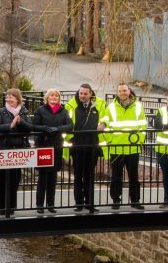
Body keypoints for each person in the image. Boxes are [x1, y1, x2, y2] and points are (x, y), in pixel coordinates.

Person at [98, 83, 148, 210]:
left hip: (133, 147)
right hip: (117, 147)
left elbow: (143, 126)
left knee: (134, 176)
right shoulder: (110, 107)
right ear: (117, 92)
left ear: (129, 90)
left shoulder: (138, 106)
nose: (122, 93)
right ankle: (116, 200)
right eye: (120, 91)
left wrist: (139, 141)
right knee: (116, 176)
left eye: (124, 90)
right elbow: (104, 123)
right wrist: (110, 141)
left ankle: (135, 200)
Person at [0, 88, 33, 216]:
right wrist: (11, 125)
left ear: (17, 99)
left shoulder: (24, 112)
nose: (8, 99)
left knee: (15, 178)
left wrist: (20, 122)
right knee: (1, 178)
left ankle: (11, 206)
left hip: (17, 149)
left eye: (11, 97)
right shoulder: (1, 112)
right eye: (7, 97)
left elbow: (29, 128)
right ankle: (1, 206)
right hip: (2, 149)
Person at [31, 88, 73, 213]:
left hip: (56, 147)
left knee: (53, 178)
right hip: (43, 147)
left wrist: (58, 129)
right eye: (51, 96)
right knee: (43, 177)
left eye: (56, 96)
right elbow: (34, 126)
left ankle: (51, 204)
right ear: (47, 98)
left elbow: (70, 126)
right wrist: (46, 129)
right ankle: (39, 204)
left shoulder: (64, 111)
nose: (54, 98)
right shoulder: (40, 110)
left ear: (59, 98)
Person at [65, 84, 104, 212]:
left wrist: (104, 123)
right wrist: (71, 139)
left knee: (89, 175)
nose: (82, 96)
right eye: (81, 93)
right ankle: (79, 203)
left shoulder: (98, 105)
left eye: (85, 94)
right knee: (78, 175)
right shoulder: (72, 106)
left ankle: (90, 202)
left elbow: (106, 117)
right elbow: (66, 124)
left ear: (90, 94)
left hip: (92, 146)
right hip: (78, 146)